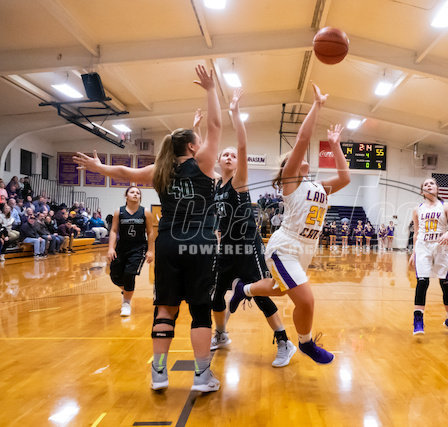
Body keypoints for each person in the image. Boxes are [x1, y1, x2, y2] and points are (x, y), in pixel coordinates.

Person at [74, 64, 223, 393]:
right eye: (198, 140)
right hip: (199, 242)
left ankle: (158, 373)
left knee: (165, 307)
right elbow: (216, 125)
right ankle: (202, 376)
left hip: (168, 242)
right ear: (193, 148)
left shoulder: (160, 170)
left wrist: (99, 167)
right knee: (200, 309)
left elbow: (125, 173)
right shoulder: (204, 163)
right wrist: (212, 90)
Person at [226, 84, 350, 365]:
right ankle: (306, 343)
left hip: (306, 249)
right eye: (295, 158)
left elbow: (345, 178)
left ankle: (243, 289)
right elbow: (303, 139)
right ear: (287, 167)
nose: (301, 157)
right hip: (286, 247)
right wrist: (317, 105)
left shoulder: (319, 186)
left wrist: (335, 145)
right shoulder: (291, 181)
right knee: (305, 300)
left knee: (279, 288)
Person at [210, 89, 295, 368]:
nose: (229, 157)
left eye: (233, 155)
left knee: (259, 296)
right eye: (225, 154)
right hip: (226, 249)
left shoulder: (239, 181)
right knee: (216, 296)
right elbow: (201, 159)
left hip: (248, 248)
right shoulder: (216, 185)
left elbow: (243, 147)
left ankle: (284, 342)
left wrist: (235, 112)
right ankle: (221, 334)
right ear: (219, 161)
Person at [409, 177, 448, 337]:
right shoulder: (417, 209)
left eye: (431, 183)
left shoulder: (446, 206)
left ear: (437, 188)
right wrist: (413, 252)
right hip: (423, 247)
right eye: (425, 184)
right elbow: (416, 233)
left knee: (446, 284)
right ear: (422, 191)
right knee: (422, 282)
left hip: (441, 247)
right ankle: (418, 319)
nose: (429, 185)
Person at [108, 186, 154, 317]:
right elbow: (114, 231)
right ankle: (127, 290)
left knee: (129, 274)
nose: (135, 194)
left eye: (138, 193)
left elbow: (150, 232)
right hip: (122, 247)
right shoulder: (119, 212)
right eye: (132, 192)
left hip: (138, 248)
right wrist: (111, 248)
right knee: (115, 276)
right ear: (126, 196)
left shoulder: (145, 212)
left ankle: (126, 303)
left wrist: (151, 250)